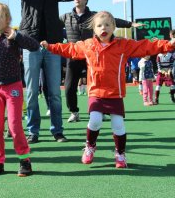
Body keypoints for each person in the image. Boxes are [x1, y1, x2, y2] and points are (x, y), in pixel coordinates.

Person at [41, 11, 175, 168]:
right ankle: (90, 146)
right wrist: (51, 47)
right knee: (95, 121)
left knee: (118, 125)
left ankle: (120, 153)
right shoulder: (88, 45)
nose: (103, 28)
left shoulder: (124, 45)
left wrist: (169, 44)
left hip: (115, 93)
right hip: (96, 93)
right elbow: (70, 49)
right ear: (94, 29)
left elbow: (146, 46)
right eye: (99, 25)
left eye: (107, 25)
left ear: (114, 27)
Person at [0, 2, 40, 176]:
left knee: (14, 126)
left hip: (13, 87)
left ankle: (25, 160)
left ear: (7, 19)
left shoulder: (12, 37)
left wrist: (17, 36)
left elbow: (34, 46)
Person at [60, 0, 145, 123]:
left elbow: (111, 21)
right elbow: (51, 24)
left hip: (93, 54)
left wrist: (130, 24)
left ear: (86, 0)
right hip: (74, 55)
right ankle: (74, 112)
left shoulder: (94, 16)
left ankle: (102, 110)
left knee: (99, 83)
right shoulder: (65, 17)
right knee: (69, 86)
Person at [19, 0, 76, 143]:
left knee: (55, 92)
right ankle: (33, 131)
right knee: (31, 92)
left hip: (52, 44)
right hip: (30, 42)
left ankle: (57, 131)